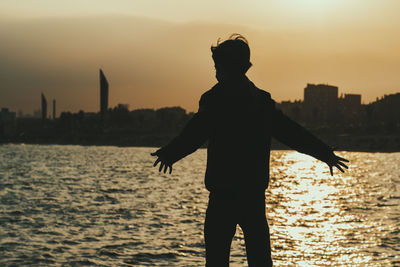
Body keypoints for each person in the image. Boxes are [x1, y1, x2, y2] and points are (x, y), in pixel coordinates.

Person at [151, 34, 349, 267]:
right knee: (260, 260)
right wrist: (324, 153)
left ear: (228, 67)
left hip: (223, 196)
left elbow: (194, 134)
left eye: (218, 67)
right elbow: (293, 133)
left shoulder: (214, 100)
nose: (215, 73)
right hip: (252, 197)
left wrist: (170, 153)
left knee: (217, 261)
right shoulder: (261, 102)